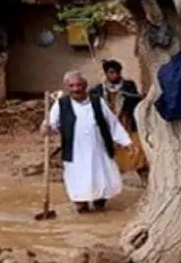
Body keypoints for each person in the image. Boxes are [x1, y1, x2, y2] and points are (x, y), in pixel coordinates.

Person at [41, 71, 134, 213]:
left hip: (99, 150)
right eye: (72, 86)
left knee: (101, 180)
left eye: (79, 85)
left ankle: (100, 205)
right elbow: (51, 127)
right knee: (78, 183)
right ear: (67, 87)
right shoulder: (61, 104)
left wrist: (126, 142)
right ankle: (81, 206)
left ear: (85, 85)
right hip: (75, 152)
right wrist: (46, 128)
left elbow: (112, 124)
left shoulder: (97, 102)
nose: (76, 89)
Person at [89, 59, 149, 184]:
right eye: (111, 72)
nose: (114, 75)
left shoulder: (128, 85)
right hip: (106, 125)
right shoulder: (98, 89)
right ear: (106, 73)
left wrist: (126, 96)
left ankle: (144, 178)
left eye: (116, 72)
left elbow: (135, 99)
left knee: (136, 150)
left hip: (126, 122)